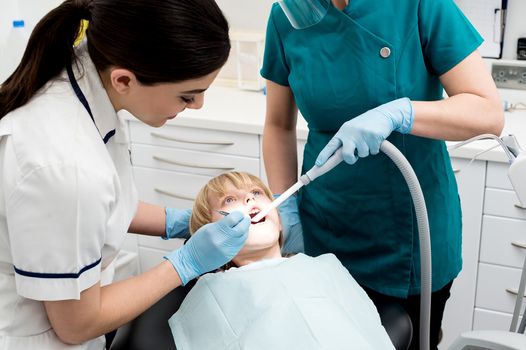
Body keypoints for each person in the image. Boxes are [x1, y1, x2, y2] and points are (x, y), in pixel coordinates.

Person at [0, 0, 251, 348]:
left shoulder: (90, 74)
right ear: (124, 80)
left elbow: (96, 206)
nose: (197, 106)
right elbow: (76, 324)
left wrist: (180, 221)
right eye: (187, 96)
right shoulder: (65, 164)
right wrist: (185, 263)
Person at [260, 0, 505, 349]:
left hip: (410, 236)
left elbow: (488, 112)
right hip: (324, 226)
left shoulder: (421, 5)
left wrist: (401, 113)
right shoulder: (288, 14)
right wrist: (285, 207)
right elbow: (278, 124)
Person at [168, 171, 396, 349]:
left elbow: (365, 330)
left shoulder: (325, 266)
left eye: (256, 193)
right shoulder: (213, 291)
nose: (249, 198)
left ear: (279, 219)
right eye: (229, 200)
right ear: (210, 237)